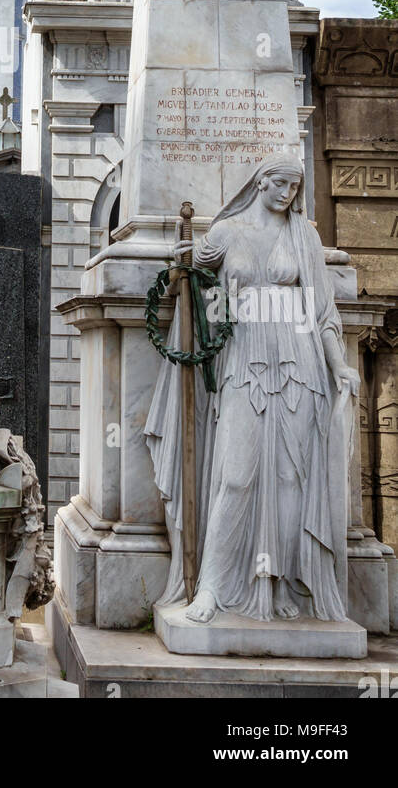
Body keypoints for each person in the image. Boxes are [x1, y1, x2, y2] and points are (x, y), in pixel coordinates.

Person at [146, 153, 359, 624]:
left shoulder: (304, 235)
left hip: (301, 365)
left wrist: (339, 366)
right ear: (260, 183)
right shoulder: (227, 233)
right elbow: (201, 286)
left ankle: (279, 586)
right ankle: (212, 589)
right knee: (236, 476)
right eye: (280, 183)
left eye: (295, 187)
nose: (288, 194)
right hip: (243, 360)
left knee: (289, 481)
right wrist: (184, 266)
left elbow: (322, 313)